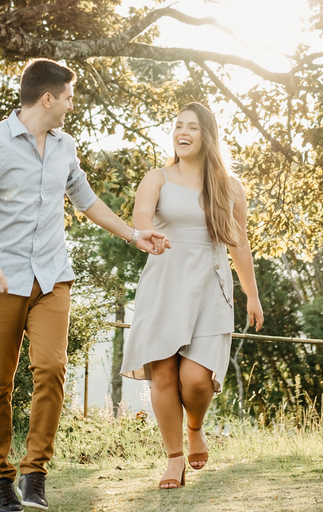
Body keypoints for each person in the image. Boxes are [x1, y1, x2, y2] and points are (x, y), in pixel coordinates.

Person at [0, 59, 169, 512]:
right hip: (1, 281)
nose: (73, 104)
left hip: (53, 277)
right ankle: (0, 480)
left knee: (51, 369)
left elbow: (86, 201)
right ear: (48, 98)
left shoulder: (65, 146)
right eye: (70, 96)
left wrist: (135, 235)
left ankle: (35, 476)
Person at [120, 102, 264, 490]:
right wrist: (148, 234)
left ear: (207, 135)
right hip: (165, 281)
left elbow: (240, 244)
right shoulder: (158, 177)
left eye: (192, 127)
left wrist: (252, 294)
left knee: (197, 379)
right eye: (178, 126)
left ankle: (195, 427)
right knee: (163, 374)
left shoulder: (229, 186)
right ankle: (173, 458)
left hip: (210, 286)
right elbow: (141, 219)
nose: (182, 133)